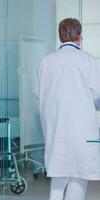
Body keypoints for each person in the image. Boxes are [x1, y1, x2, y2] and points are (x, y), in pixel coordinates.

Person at [35, 18, 100, 200]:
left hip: (56, 125)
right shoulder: (87, 59)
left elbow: (39, 94)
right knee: (80, 174)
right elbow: (97, 94)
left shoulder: (47, 61)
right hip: (82, 127)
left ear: (60, 35)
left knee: (58, 172)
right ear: (79, 35)